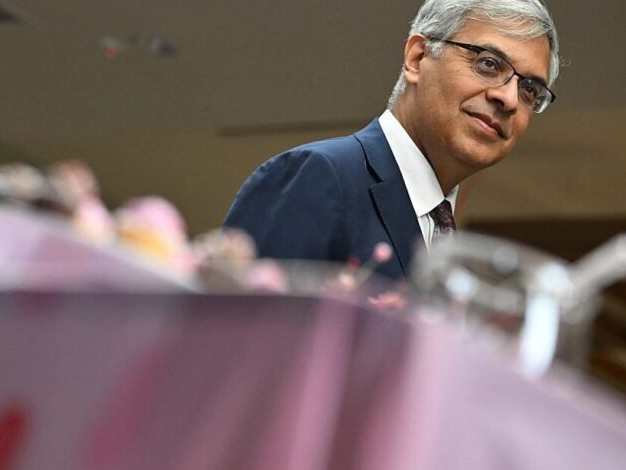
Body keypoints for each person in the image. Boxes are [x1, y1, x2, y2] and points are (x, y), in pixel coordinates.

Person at [222, 0, 560, 281]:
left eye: (530, 89)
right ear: (417, 58)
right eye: (488, 64)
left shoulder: (445, 236)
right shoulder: (318, 176)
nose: (509, 99)